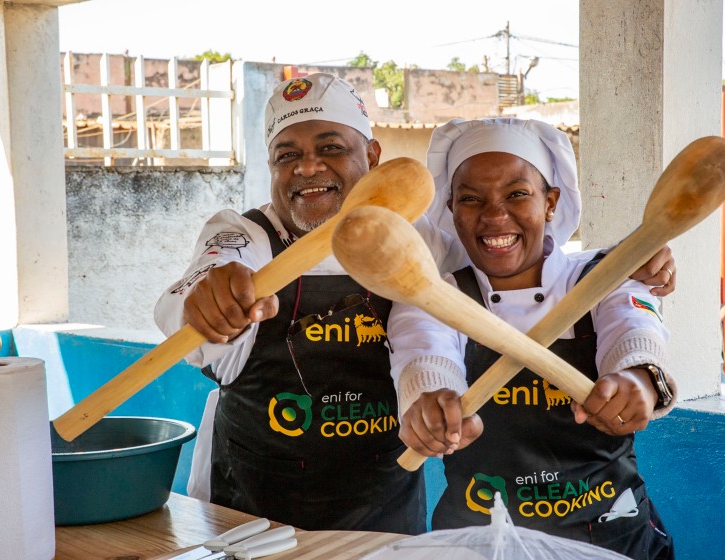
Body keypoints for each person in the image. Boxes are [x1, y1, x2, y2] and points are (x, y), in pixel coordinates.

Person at [154, 73, 677, 534]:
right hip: (251, 513)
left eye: (331, 148)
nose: (307, 168)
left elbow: (522, 257)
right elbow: (189, 297)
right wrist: (207, 301)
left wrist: (623, 264)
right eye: (287, 155)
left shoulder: (417, 238)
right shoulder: (246, 239)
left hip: (383, 513)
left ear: (373, 159)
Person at [389, 117, 676, 558]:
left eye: (517, 194)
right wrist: (429, 403)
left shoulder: (607, 277)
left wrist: (636, 381)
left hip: (614, 538)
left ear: (550, 202)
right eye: (471, 199)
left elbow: (634, 331)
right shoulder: (436, 295)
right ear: (452, 211)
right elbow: (423, 353)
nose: (494, 215)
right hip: (482, 546)